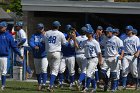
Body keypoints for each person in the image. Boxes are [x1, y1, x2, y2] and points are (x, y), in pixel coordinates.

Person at [72, 25, 102, 93]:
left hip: (93, 59)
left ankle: (86, 88)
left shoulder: (95, 42)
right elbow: (78, 47)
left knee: (88, 74)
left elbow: (99, 53)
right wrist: (74, 39)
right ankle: (94, 87)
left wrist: (100, 61)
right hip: (87, 59)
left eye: (88, 33)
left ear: (91, 33)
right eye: (86, 33)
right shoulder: (85, 41)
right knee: (90, 75)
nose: (87, 34)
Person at [44, 21, 67, 92]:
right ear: (58, 26)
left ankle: (52, 84)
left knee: (51, 70)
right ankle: (50, 85)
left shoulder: (47, 33)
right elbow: (65, 44)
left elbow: (43, 41)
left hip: (48, 53)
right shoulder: (60, 34)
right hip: (57, 52)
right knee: (55, 71)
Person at [0, 21, 23, 90]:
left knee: (3, 71)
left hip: (4, 56)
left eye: (1, 27)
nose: (0, 28)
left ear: (5, 27)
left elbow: (14, 46)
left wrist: (19, 54)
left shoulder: (9, 36)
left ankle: (3, 85)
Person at [100, 27, 124, 92]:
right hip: (106, 57)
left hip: (114, 57)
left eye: (108, 32)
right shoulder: (105, 38)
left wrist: (121, 55)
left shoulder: (116, 39)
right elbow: (101, 45)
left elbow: (122, 48)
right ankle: (107, 83)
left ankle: (113, 88)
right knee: (102, 72)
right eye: (106, 32)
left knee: (113, 74)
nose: (107, 33)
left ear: (111, 32)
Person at [29, 23, 48, 91]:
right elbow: (30, 42)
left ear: (43, 28)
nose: (40, 29)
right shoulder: (34, 35)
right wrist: (34, 46)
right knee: (37, 71)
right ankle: (39, 83)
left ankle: (44, 84)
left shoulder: (46, 35)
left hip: (44, 55)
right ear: (37, 28)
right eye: (39, 28)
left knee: (44, 69)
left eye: (41, 28)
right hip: (36, 55)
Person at [121, 25, 140, 90]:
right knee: (124, 70)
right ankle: (123, 85)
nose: (127, 31)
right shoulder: (123, 37)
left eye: (128, 30)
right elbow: (122, 47)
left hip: (133, 56)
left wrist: (138, 53)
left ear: (131, 31)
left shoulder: (136, 38)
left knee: (134, 72)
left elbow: (138, 47)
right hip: (126, 55)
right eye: (126, 30)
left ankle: (137, 84)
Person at [74, 27, 88, 91]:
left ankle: (83, 86)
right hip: (84, 55)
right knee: (84, 71)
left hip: (77, 55)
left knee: (82, 71)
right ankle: (79, 81)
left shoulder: (77, 38)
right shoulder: (87, 38)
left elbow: (73, 45)